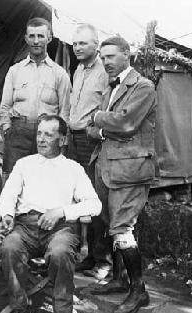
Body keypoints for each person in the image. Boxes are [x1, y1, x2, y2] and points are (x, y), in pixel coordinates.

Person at [0, 115, 101, 313]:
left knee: (60, 252)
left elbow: (95, 205)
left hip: (60, 229)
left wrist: (61, 212)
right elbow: (8, 195)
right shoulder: (24, 164)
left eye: (48, 135)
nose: (41, 139)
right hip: (25, 226)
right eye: (39, 133)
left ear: (63, 140)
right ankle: (19, 310)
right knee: (9, 247)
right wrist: (6, 215)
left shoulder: (73, 169)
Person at [87, 36, 157, 313]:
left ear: (128, 55)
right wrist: (104, 125)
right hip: (107, 167)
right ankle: (119, 279)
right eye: (102, 58)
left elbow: (127, 123)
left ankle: (139, 290)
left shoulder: (143, 87)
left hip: (131, 170)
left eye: (111, 56)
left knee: (122, 228)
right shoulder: (110, 88)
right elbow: (106, 126)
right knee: (109, 222)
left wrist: (98, 120)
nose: (106, 62)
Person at [0, 17, 71, 176]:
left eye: (41, 36)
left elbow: (65, 112)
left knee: (46, 179)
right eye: (32, 36)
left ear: (49, 38)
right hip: (18, 133)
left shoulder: (59, 74)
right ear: (26, 38)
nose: (36, 41)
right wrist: (7, 130)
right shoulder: (14, 71)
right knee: (12, 179)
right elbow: (4, 107)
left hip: (48, 134)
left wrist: (58, 139)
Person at [68, 24, 111, 279]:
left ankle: (103, 259)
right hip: (73, 139)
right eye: (75, 44)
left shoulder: (105, 71)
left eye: (83, 43)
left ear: (96, 44)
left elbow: (107, 109)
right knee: (76, 197)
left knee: (97, 198)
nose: (77, 48)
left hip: (91, 140)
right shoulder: (78, 70)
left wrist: (92, 130)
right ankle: (87, 255)